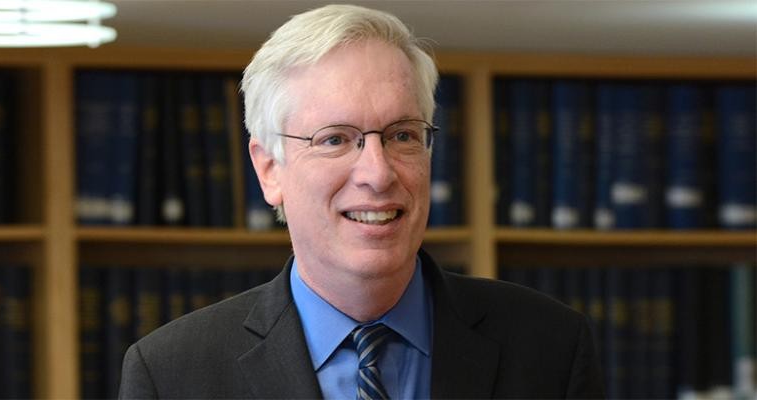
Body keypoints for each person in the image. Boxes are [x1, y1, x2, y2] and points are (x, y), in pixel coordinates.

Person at [119, 4, 605, 399]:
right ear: (269, 170)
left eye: (402, 135)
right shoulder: (172, 374)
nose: (378, 172)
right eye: (335, 139)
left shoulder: (551, 347)